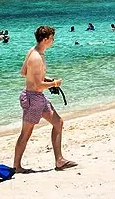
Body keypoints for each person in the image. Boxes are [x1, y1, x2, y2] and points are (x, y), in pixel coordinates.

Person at [13, 26, 76, 173]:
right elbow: (37, 84)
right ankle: (16, 166)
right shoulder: (36, 58)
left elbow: (24, 73)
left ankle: (59, 160)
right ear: (46, 39)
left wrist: (45, 78)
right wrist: (54, 83)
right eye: (52, 38)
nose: (53, 41)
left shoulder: (34, 52)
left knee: (58, 123)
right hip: (32, 98)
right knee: (26, 133)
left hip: (38, 97)